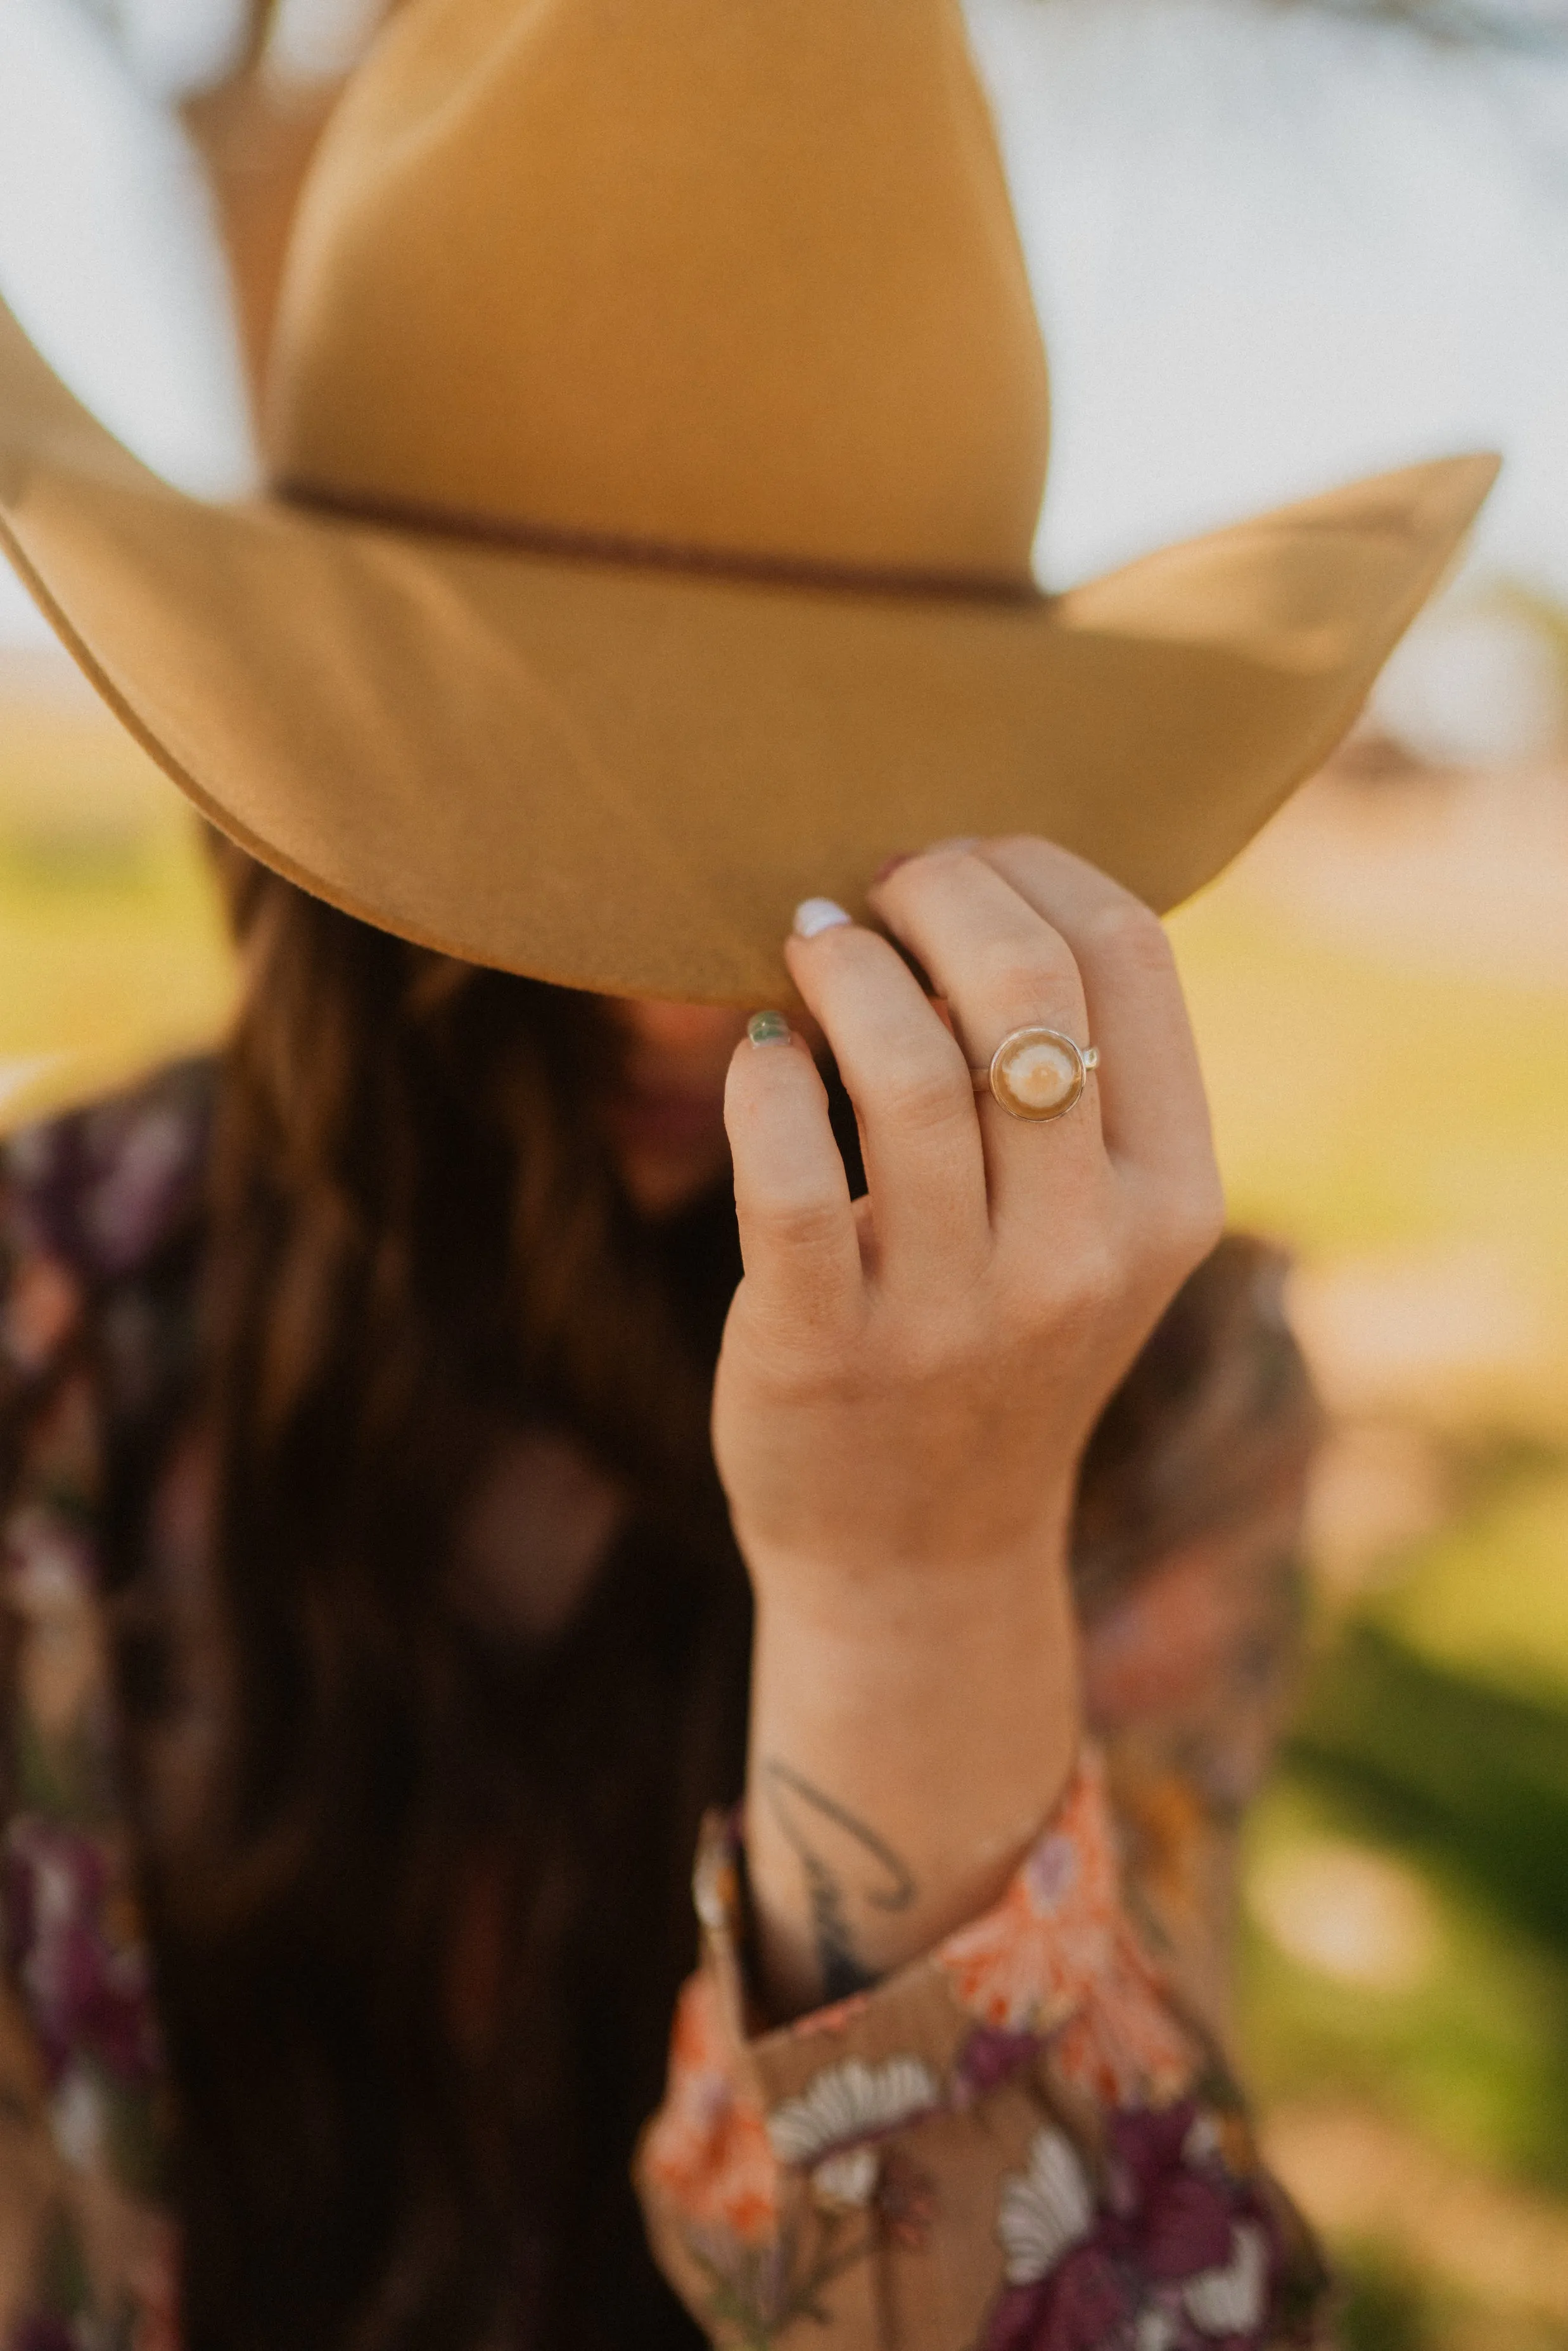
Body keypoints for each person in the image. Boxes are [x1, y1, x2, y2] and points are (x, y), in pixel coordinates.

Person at [0, 0, 1493, 2341]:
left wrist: (927, 1585)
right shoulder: (52, 1308)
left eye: (820, 837)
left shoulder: (1165, 1387)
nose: (695, 1009)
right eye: (548, 844)